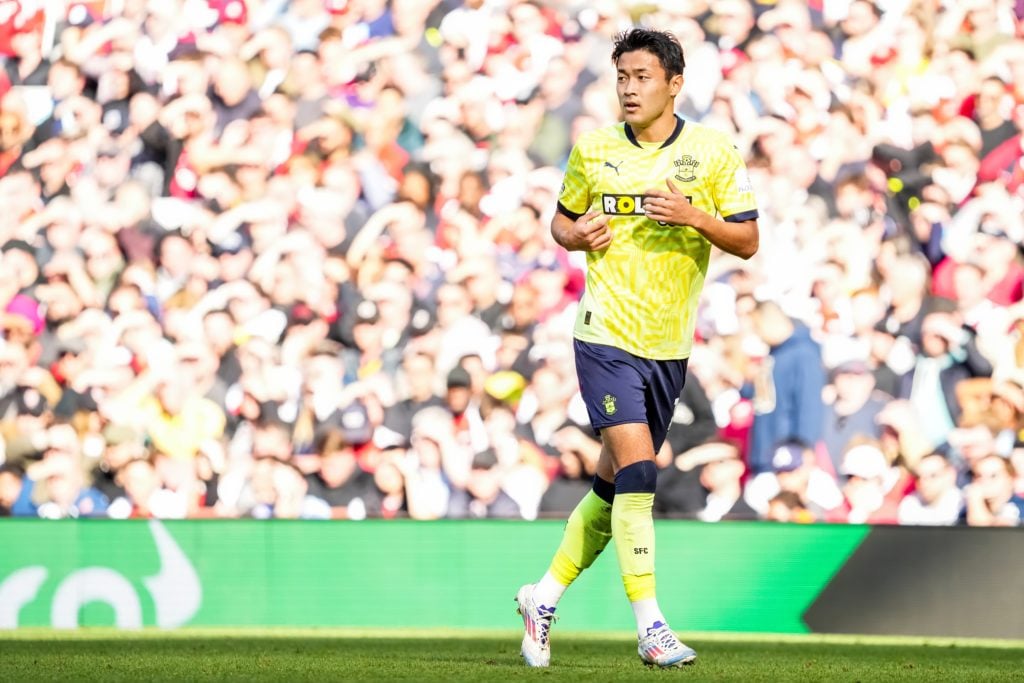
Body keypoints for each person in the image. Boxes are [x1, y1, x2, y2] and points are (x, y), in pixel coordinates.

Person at [515, 28, 758, 669]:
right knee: (641, 474)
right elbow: (561, 220)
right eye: (622, 76)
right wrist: (577, 236)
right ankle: (651, 627)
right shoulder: (594, 149)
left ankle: (541, 597)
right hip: (605, 336)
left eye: (642, 77)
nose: (629, 88)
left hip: (668, 345)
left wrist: (695, 217)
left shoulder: (711, 152)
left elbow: (748, 240)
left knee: (610, 489)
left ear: (674, 84)